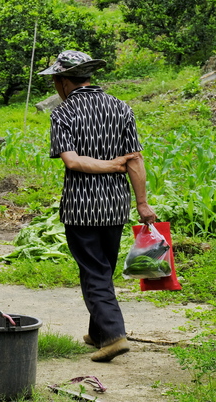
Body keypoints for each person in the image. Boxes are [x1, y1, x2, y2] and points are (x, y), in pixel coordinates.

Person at [40, 50, 157, 363]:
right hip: (116, 207)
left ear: (64, 82)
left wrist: (107, 164)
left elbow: (73, 161)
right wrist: (142, 204)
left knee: (93, 272)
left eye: (55, 81)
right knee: (101, 268)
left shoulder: (63, 114)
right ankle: (98, 332)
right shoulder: (121, 108)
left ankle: (115, 335)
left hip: (81, 208)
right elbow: (135, 160)